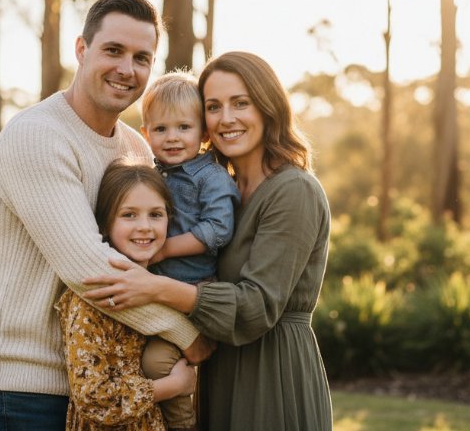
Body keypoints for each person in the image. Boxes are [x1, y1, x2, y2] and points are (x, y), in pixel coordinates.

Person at [0, 0, 212, 431]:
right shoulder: (37, 137)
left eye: (142, 57)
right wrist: (189, 335)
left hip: (119, 382)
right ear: (82, 50)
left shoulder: (136, 148)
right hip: (34, 389)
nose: (127, 69)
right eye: (113, 50)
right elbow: (90, 271)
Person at [83, 51, 333, 430]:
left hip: (272, 372)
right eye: (214, 106)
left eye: (241, 103)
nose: (226, 118)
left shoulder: (293, 190)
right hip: (221, 365)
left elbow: (257, 306)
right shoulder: (224, 186)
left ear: (268, 107)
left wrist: (156, 287)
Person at [57, 161, 197, 430]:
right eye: (129, 215)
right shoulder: (94, 298)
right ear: (106, 225)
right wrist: (173, 386)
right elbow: (93, 397)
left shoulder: (164, 287)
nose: (144, 226)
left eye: (156, 214)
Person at [137, 72, 240, 431]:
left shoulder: (209, 178)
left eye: (184, 127)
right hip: (155, 296)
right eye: (161, 129)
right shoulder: (151, 175)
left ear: (205, 134)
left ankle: (182, 426)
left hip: (191, 296)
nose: (173, 138)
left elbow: (217, 229)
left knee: (156, 364)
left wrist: (164, 251)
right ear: (145, 133)